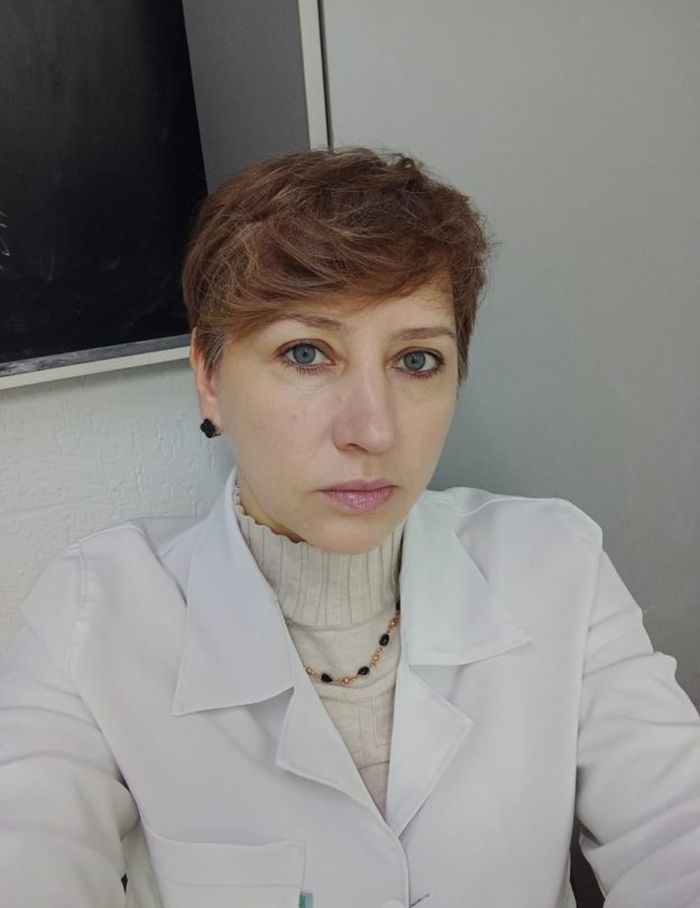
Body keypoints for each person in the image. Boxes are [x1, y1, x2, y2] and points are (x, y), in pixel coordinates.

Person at [1, 146, 699, 908]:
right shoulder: (94, 616)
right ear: (209, 375)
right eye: (307, 353)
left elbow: (678, 828)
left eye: (417, 360)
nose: (373, 429)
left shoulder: (557, 565)